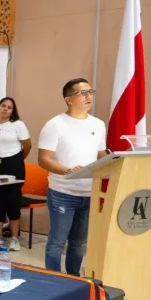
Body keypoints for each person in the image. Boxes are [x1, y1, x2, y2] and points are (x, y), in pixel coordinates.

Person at [38, 78, 107, 275]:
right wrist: (67, 170)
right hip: (63, 192)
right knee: (57, 241)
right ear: (69, 99)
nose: (88, 96)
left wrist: (116, 158)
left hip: (88, 192)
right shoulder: (55, 124)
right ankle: (54, 280)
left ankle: (73, 279)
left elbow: (100, 154)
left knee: (78, 243)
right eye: (82, 93)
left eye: (90, 92)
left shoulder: (98, 124)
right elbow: (44, 159)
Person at [0, 97, 31, 250]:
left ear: (13, 111)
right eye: (3, 106)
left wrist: (17, 160)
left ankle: (14, 238)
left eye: (9, 107)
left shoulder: (18, 125)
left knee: (13, 202)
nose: (5, 109)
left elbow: (27, 146)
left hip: (14, 165)